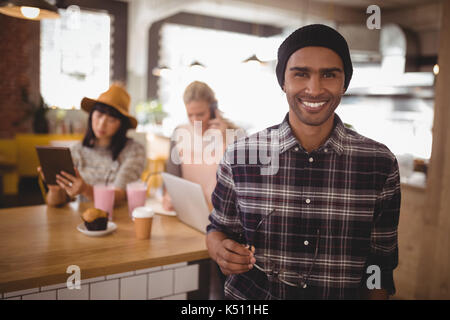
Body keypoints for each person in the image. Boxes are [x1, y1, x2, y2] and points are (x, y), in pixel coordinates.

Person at [206, 24, 401, 300]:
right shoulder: (240, 156)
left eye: (329, 74)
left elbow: (380, 262)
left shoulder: (379, 164)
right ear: (283, 81)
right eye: (301, 74)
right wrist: (220, 249)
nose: (314, 88)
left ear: (344, 82)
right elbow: (217, 230)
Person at [39, 84, 146, 207]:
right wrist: (55, 190)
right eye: (99, 115)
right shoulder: (76, 151)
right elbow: (55, 203)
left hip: (119, 219)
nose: (101, 124)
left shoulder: (134, 151)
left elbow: (119, 195)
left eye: (111, 119)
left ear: (121, 125)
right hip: (81, 222)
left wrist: (85, 189)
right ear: (91, 116)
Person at [163, 81, 243, 212]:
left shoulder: (232, 134)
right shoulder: (179, 133)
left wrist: (226, 140)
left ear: (213, 109)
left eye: (200, 114)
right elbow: (172, 177)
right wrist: (169, 196)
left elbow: (241, 180)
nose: (195, 120)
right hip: (189, 210)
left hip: (222, 213)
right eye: (190, 115)